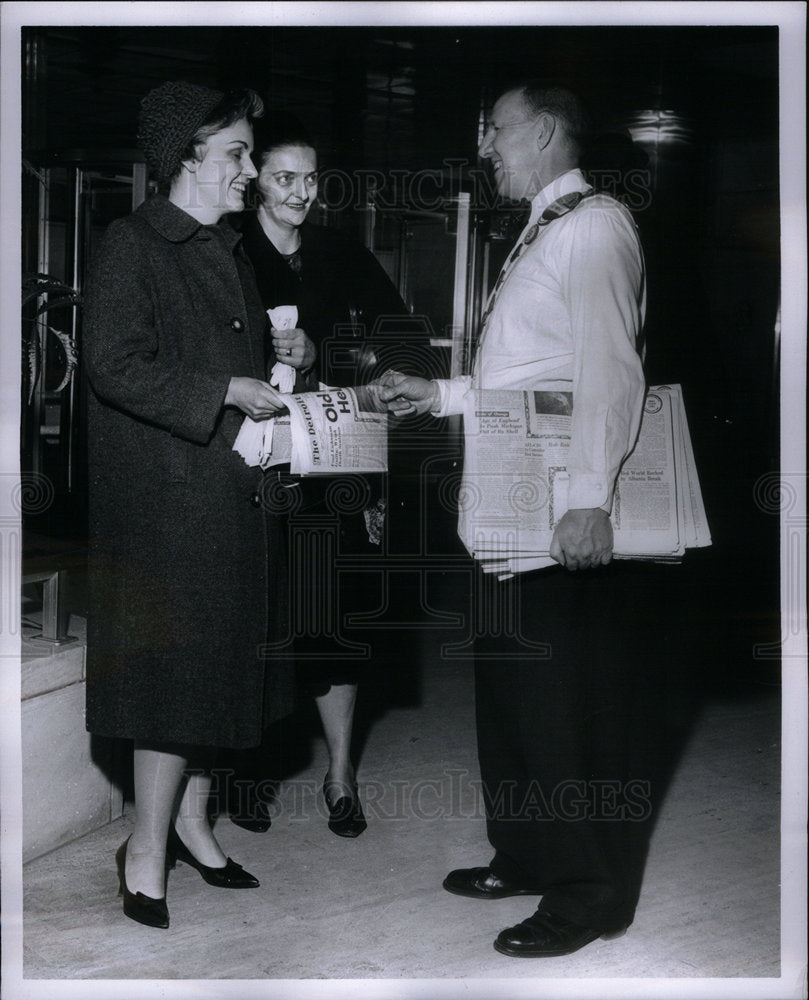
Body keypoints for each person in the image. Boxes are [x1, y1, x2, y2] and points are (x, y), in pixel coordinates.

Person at [380, 82, 657, 958]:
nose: (485, 146)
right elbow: (528, 376)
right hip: (507, 516)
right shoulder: (542, 228)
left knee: (561, 709)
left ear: (541, 132)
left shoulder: (595, 227)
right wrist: (440, 392)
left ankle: (588, 894)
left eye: (494, 130)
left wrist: (589, 499)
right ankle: (528, 854)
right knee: (508, 703)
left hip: (558, 515)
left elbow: (611, 373)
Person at [83, 81, 294, 929]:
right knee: (173, 682)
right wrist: (226, 387)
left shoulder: (230, 248)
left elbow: (241, 366)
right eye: (239, 152)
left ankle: (196, 825)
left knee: (217, 671)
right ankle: (144, 850)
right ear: (188, 155)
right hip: (167, 502)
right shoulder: (132, 243)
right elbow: (113, 363)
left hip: (227, 492)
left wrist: (287, 363)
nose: (254, 169)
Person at [233, 111, 411, 838]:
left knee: (333, 621)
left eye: (310, 179)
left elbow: (400, 347)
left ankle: (340, 776)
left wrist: (325, 357)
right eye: (284, 178)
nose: (301, 193)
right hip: (249, 468)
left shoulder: (342, 254)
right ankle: (248, 772)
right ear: (254, 185)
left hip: (333, 465)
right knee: (256, 620)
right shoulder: (228, 253)